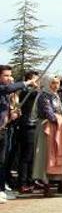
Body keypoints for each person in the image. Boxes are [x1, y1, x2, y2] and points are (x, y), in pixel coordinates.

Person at [33, 76, 62, 197]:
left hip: (59, 128)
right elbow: (49, 113)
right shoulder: (43, 96)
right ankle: (46, 185)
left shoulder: (55, 95)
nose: (55, 85)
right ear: (47, 83)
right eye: (52, 83)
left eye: (57, 83)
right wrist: (59, 118)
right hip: (46, 129)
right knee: (46, 155)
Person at [0, 65, 36, 203]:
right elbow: (8, 88)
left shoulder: (7, 94)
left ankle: (2, 188)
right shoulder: (3, 89)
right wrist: (27, 82)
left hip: (4, 130)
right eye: (6, 76)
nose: (9, 78)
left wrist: (12, 115)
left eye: (10, 75)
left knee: (3, 161)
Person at [15, 70, 40, 194]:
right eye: (34, 79)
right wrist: (34, 87)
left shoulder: (36, 92)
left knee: (33, 156)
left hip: (35, 125)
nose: (37, 82)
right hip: (27, 126)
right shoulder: (26, 92)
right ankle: (22, 182)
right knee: (26, 156)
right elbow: (33, 95)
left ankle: (31, 180)